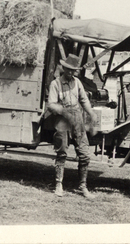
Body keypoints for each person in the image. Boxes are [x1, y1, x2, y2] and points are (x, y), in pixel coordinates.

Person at [46, 53, 96, 199]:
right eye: (68, 69)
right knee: (62, 152)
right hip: (62, 120)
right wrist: (63, 111)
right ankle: (58, 184)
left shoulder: (77, 83)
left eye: (73, 70)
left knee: (85, 154)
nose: (70, 72)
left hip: (78, 119)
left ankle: (82, 186)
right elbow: (51, 105)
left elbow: (84, 100)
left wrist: (91, 113)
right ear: (63, 68)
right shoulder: (56, 83)